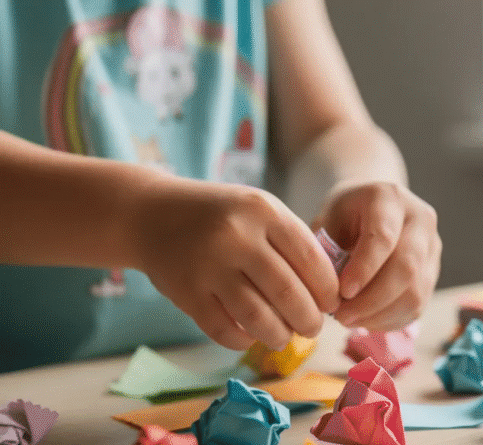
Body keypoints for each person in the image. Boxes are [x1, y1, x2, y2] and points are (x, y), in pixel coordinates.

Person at [0, 0, 441, 373]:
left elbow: (327, 129)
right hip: (26, 379)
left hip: (217, 370)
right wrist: (145, 219)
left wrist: (366, 183)